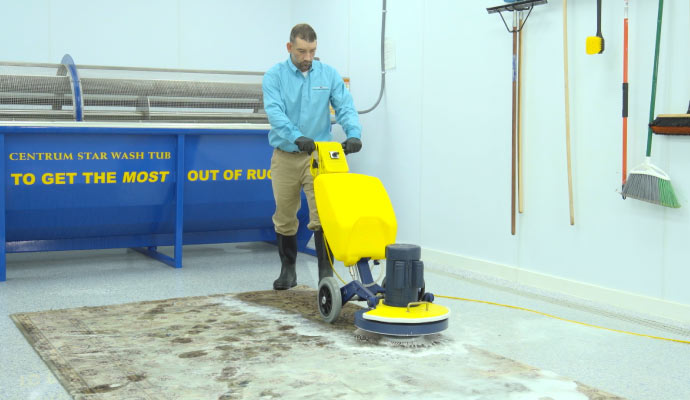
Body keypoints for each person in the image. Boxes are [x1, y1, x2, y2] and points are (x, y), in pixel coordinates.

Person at [262, 23, 363, 290]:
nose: (307, 58)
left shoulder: (328, 75)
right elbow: (275, 113)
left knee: (323, 215)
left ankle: (325, 276)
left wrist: (353, 133)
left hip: (319, 155)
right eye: (301, 51)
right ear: (289, 48)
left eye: (312, 51)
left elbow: (345, 106)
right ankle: (288, 270)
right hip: (286, 154)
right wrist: (296, 136)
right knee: (284, 214)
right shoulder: (274, 76)